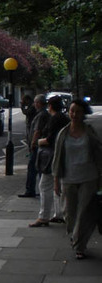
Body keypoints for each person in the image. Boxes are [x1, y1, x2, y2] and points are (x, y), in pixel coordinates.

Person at [52, 99, 102, 259]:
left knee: (84, 214)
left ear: (83, 113)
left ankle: (80, 245)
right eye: (72, 111)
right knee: (69, 214)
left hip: (89, 177)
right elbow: (57, 158)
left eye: (78, 111)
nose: (74, 114)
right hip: (68, 178)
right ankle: (75, 236)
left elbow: (99, 156)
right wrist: (56, 180)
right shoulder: (63, 133)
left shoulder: (90, 132)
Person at [29, 95, 69, 227]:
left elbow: (50, 139)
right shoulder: (64, 118)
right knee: (57, 186)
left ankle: (43, 217)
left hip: (51, 156)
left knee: (44, 185)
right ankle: (59, 214)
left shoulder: (54, 119)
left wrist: (38, 141)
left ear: (50, 106)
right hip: (63, 155)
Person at [19, 94, 49, 198]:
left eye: (36, 103)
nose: (34, 105)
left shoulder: (41, 115)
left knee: (32, 168)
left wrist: (32, 143)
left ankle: (31, 190)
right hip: (39, 146)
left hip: (36, 146)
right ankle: (41, 189)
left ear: (39, 103)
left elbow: (37, 130)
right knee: (39, 168)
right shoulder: (43, 113)